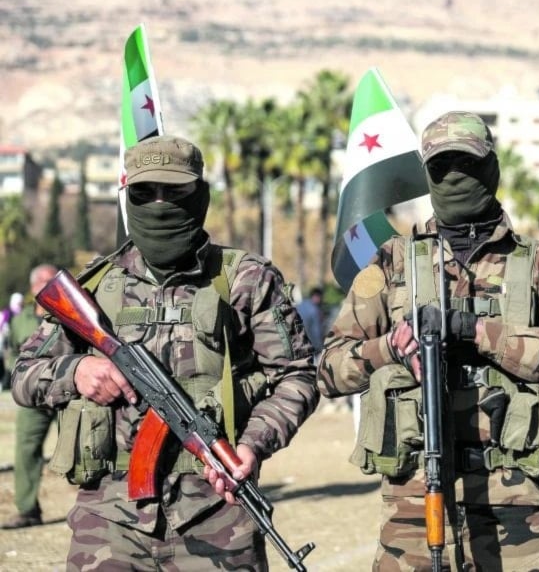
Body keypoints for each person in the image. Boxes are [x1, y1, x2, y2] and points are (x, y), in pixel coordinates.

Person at [11, 135, 319, 569]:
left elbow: (298, 376)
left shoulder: (246, 280)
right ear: (127, 197)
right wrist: (77, 370)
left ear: (201, 195)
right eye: (144, 192)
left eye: (175, 191)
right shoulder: (96, 287)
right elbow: (25, 374)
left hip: (218, 515)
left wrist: (252, 445)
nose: (159, 202)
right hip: (108, 524)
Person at [319, 111, 539, 571]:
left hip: (513, 501)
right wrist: (392, 348)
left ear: (491, 169)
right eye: (441, 168)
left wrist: (476, 332)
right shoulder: (392, 262)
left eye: (466, 165)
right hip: (414, 501)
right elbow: (329, 369)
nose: (454, 177)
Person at [2, 265, 58, 529]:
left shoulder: (70, 314)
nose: (51, 285)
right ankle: (27, 509)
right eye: (45, 281)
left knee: (86, 445)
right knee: (25, 451)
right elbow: (12, 353)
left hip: (66, 394)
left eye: (55, 280)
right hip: (34, 397)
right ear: (34, 287)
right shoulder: (20, 319)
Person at [0, 291, 24, 389]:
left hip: (16, 341)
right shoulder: (7, 312)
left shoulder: (21, 312)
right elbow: (3, 326)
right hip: (6, 340)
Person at [296, 285, 326, 351]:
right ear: (317, 297)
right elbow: (316, 330)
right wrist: (320, 346)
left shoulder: (301, 304)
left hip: (296, 340)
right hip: (309, 343)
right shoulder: (315, 310)